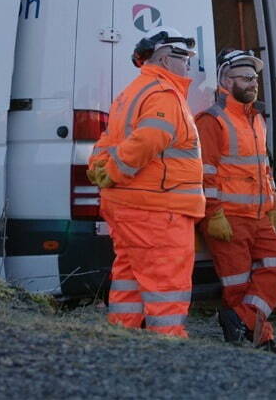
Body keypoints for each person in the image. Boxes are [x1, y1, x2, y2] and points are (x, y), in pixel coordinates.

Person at [87, 27, 205, 338]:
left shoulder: (131, 93)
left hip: (127, 206)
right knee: (166, 281)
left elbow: (106, 141)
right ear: (166, 60)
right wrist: (115, 170)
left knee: (129, 277)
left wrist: (101, 168)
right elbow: (150, 138)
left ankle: (123, 339)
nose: (188, 66)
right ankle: (166, 346)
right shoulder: (163, 93)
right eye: (184, 59)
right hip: (158, 207)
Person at [195, 48, 276, 354]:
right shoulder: (212, 120)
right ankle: (259, 338)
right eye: (245, 77)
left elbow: (263, 166)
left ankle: (238, 319)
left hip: (259, 214)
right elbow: (204, 172)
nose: (253, 83)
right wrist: (214, 214)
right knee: (237, 284)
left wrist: (274, 202)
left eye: (255, 78)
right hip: (228, 216)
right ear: (226, 79)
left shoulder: (256, 119)